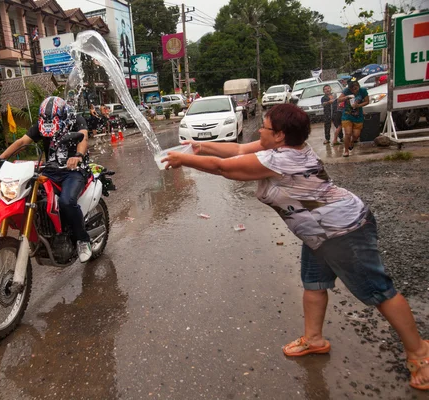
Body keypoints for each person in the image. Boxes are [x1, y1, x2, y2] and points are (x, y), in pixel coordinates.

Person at [161, 104, 429, 391]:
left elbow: (225, 168)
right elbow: (237, 151)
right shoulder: (284, 148)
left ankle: (420, 352)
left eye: (263, 127)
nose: (259, 130)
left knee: (377, 289)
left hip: (343, 230)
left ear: (279, 135)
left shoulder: (283, 159)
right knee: (314, 283)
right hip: (318, 232)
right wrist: (199, 147)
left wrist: (184, 161)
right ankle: (314, 340)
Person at [0, 96, 93, 263]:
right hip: (51, 170)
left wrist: (78, 156)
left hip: (74, 170)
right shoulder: (42, 125)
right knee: (30, 196)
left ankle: (83, 240)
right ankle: (41, 234)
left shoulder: (75, 120)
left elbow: (83, 138)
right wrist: (0, 158)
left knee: (66, 201)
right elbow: (22, 141)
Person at [337, 80, 369, 157]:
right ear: (350, 89)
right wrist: (346, 97)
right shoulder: (346, 91)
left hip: (358, 116)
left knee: (356, 135)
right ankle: (346, 150)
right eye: (353, 89)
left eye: (356, 88)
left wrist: (359, 105)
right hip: (347, 115)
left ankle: (352, 142)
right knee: (348, 133)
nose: (355, 90)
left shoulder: (363, 91)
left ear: (358, 86)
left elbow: (367, 101)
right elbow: (338, 100)